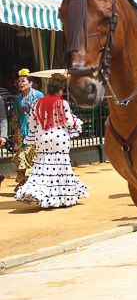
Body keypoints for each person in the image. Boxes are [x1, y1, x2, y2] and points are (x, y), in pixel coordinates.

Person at [13, 73, 88, 209]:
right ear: (60, 90)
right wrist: (75, 122)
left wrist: (37, 131)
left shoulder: (37, 102)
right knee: (61, 167)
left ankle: (39, 192)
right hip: (60, 138)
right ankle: (62, 197)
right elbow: (69, 122)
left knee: (42, 167)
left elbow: (31, 122)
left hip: (42, 138)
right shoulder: (62, 103)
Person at [11, 68, 43, 188]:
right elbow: (16, 116)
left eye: (23, 81)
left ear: (31, 83)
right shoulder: (18, 98)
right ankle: (24, 182)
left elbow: (42, 113)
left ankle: (32, 182)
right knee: (22, 154)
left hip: (35, 130)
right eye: (19, 81)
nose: (21, 83)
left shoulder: (38, 95)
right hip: (21, 131)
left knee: (29, 154)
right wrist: (15, 133)